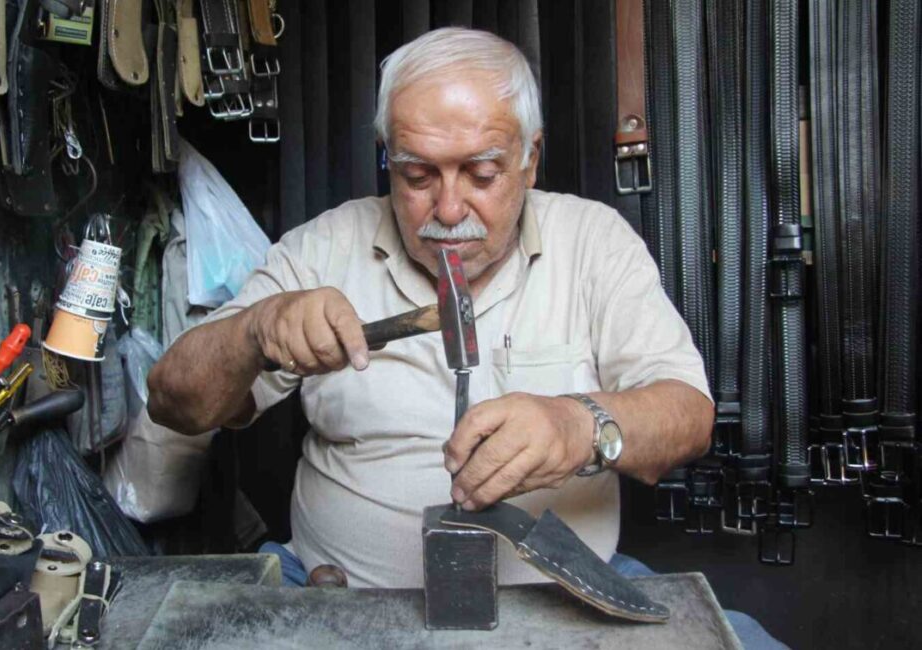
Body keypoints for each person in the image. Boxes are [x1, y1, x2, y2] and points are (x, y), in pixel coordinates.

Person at [149, 27, 783, 648]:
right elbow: (172, 402)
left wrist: (578, 425)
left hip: (564, 598)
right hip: (340, 594)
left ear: (530, 159)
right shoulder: (324, 248)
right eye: (418, 176)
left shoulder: (595, 242)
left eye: (481, 174)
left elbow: (689, 417)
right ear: (386, 159)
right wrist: (255, 331)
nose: (448, 211)